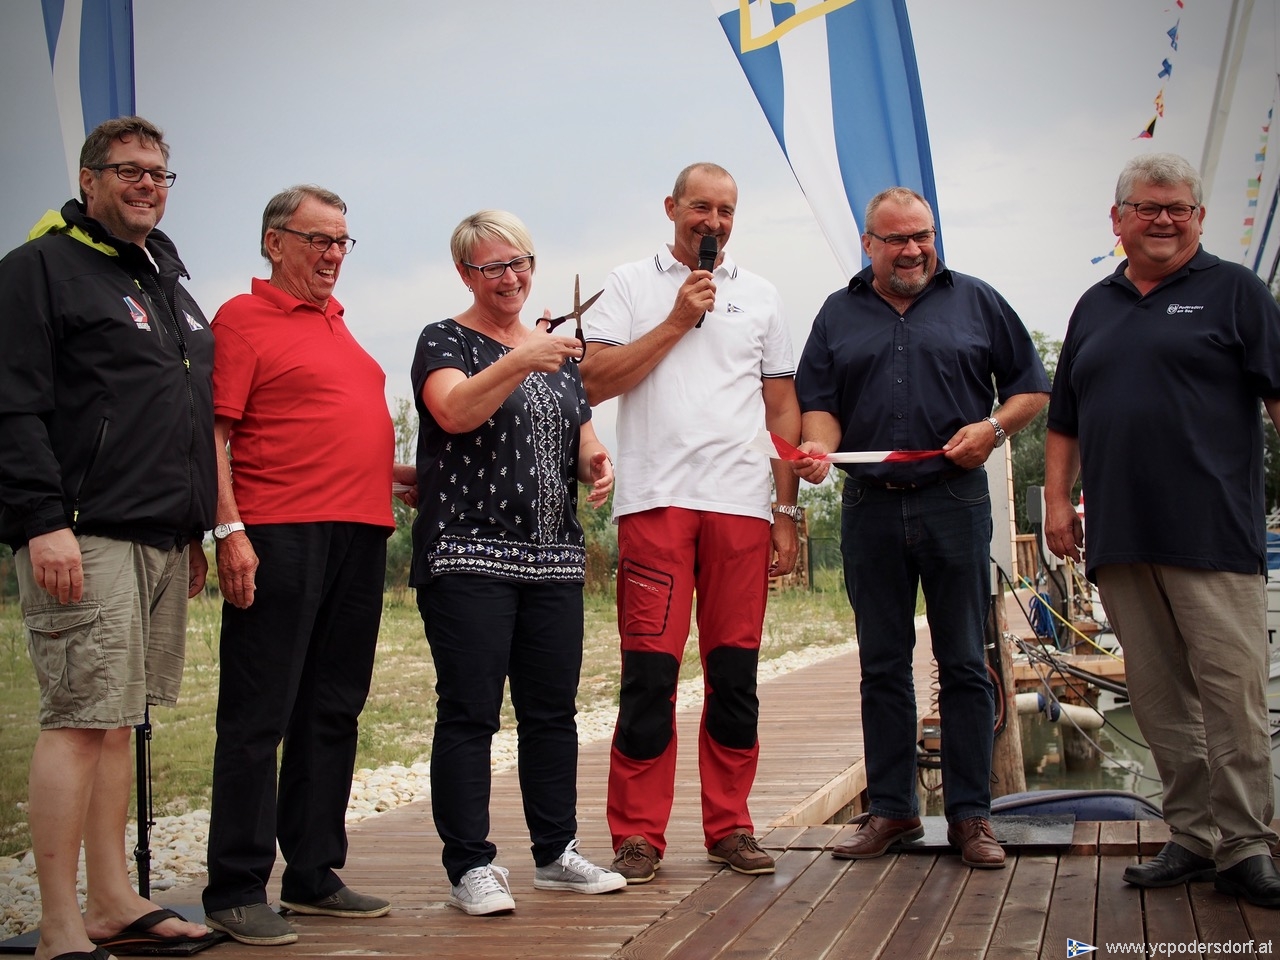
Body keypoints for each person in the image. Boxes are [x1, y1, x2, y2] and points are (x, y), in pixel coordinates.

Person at [0, 116, 215, 960]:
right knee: (80, 720)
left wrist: (192, 527)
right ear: (88, 180)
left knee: (121, 721)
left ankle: (113, 900)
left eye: (158, 172)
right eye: (127, 170)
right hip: (82, 533)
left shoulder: (165, 277)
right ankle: (60, 927)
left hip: (158, 532)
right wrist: (42, 521)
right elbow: (13, 405)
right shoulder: (40, 269)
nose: (146, 184)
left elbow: (179, 405)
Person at [1045, 153, 1280, 908]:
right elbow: (1064, 419)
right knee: (1158, 698)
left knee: (1233, 697)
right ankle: (1193, 836)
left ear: (1200, 218)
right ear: (1118, 219)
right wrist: (1057, 503)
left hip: (1215, 533)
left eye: (1179, 207)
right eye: (1147, 207)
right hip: (1120, 537)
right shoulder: (1094, 306)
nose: (1164, 220)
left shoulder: (1237, 292)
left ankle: (1246, 845)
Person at [793, 186, 1049, 870]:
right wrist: (817, 449)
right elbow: (819, 407)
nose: (913, 250)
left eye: (923, 236)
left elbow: (1030, 388)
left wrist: (994, 429)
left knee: (964, 660)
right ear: (869, 245)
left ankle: (971, 817)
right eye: (897, 239)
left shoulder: (979, 301)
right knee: (881, 664)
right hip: (869, 505)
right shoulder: (836, 313)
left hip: (954, 500)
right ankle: (893, 810)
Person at [578, 162, 801, 883]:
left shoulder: (762, 294)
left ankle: (730, 825)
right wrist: (677, 320)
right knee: (649, 676)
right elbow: (592, 380)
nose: (714, 222)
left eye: (726, 211)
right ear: (671, 206)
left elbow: (781, 408)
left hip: (741, 506)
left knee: (735, 677)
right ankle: (638, 834)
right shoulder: (627, 285)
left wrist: (786, 510)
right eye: (701, 207)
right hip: (656, 503)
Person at [202, 185, 411, 945]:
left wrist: (398, 475)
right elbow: (213, 436)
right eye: (318, 239)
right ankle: (234, 887)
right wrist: (228, 529)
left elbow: (329, 429)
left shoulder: (338, 324)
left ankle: (314, 873)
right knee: (260, 711)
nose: (332, 254)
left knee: (333, 709)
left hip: (360, 533)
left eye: (342, 241)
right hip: (280, 531)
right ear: (274, 242)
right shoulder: (241, 319)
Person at [411, 209, 623, 916]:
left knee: (552, 712)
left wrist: (596, 461)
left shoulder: (556, 351)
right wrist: (521, 358)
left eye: (519, 262)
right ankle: (470, 866)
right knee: (470, 711)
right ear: (465, 273)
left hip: (553, 556)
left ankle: (556, 853)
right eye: (492, 267)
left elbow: (582, 434)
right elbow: (453, 412)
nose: (510, 277)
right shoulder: (444, 339)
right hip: (468, 552)